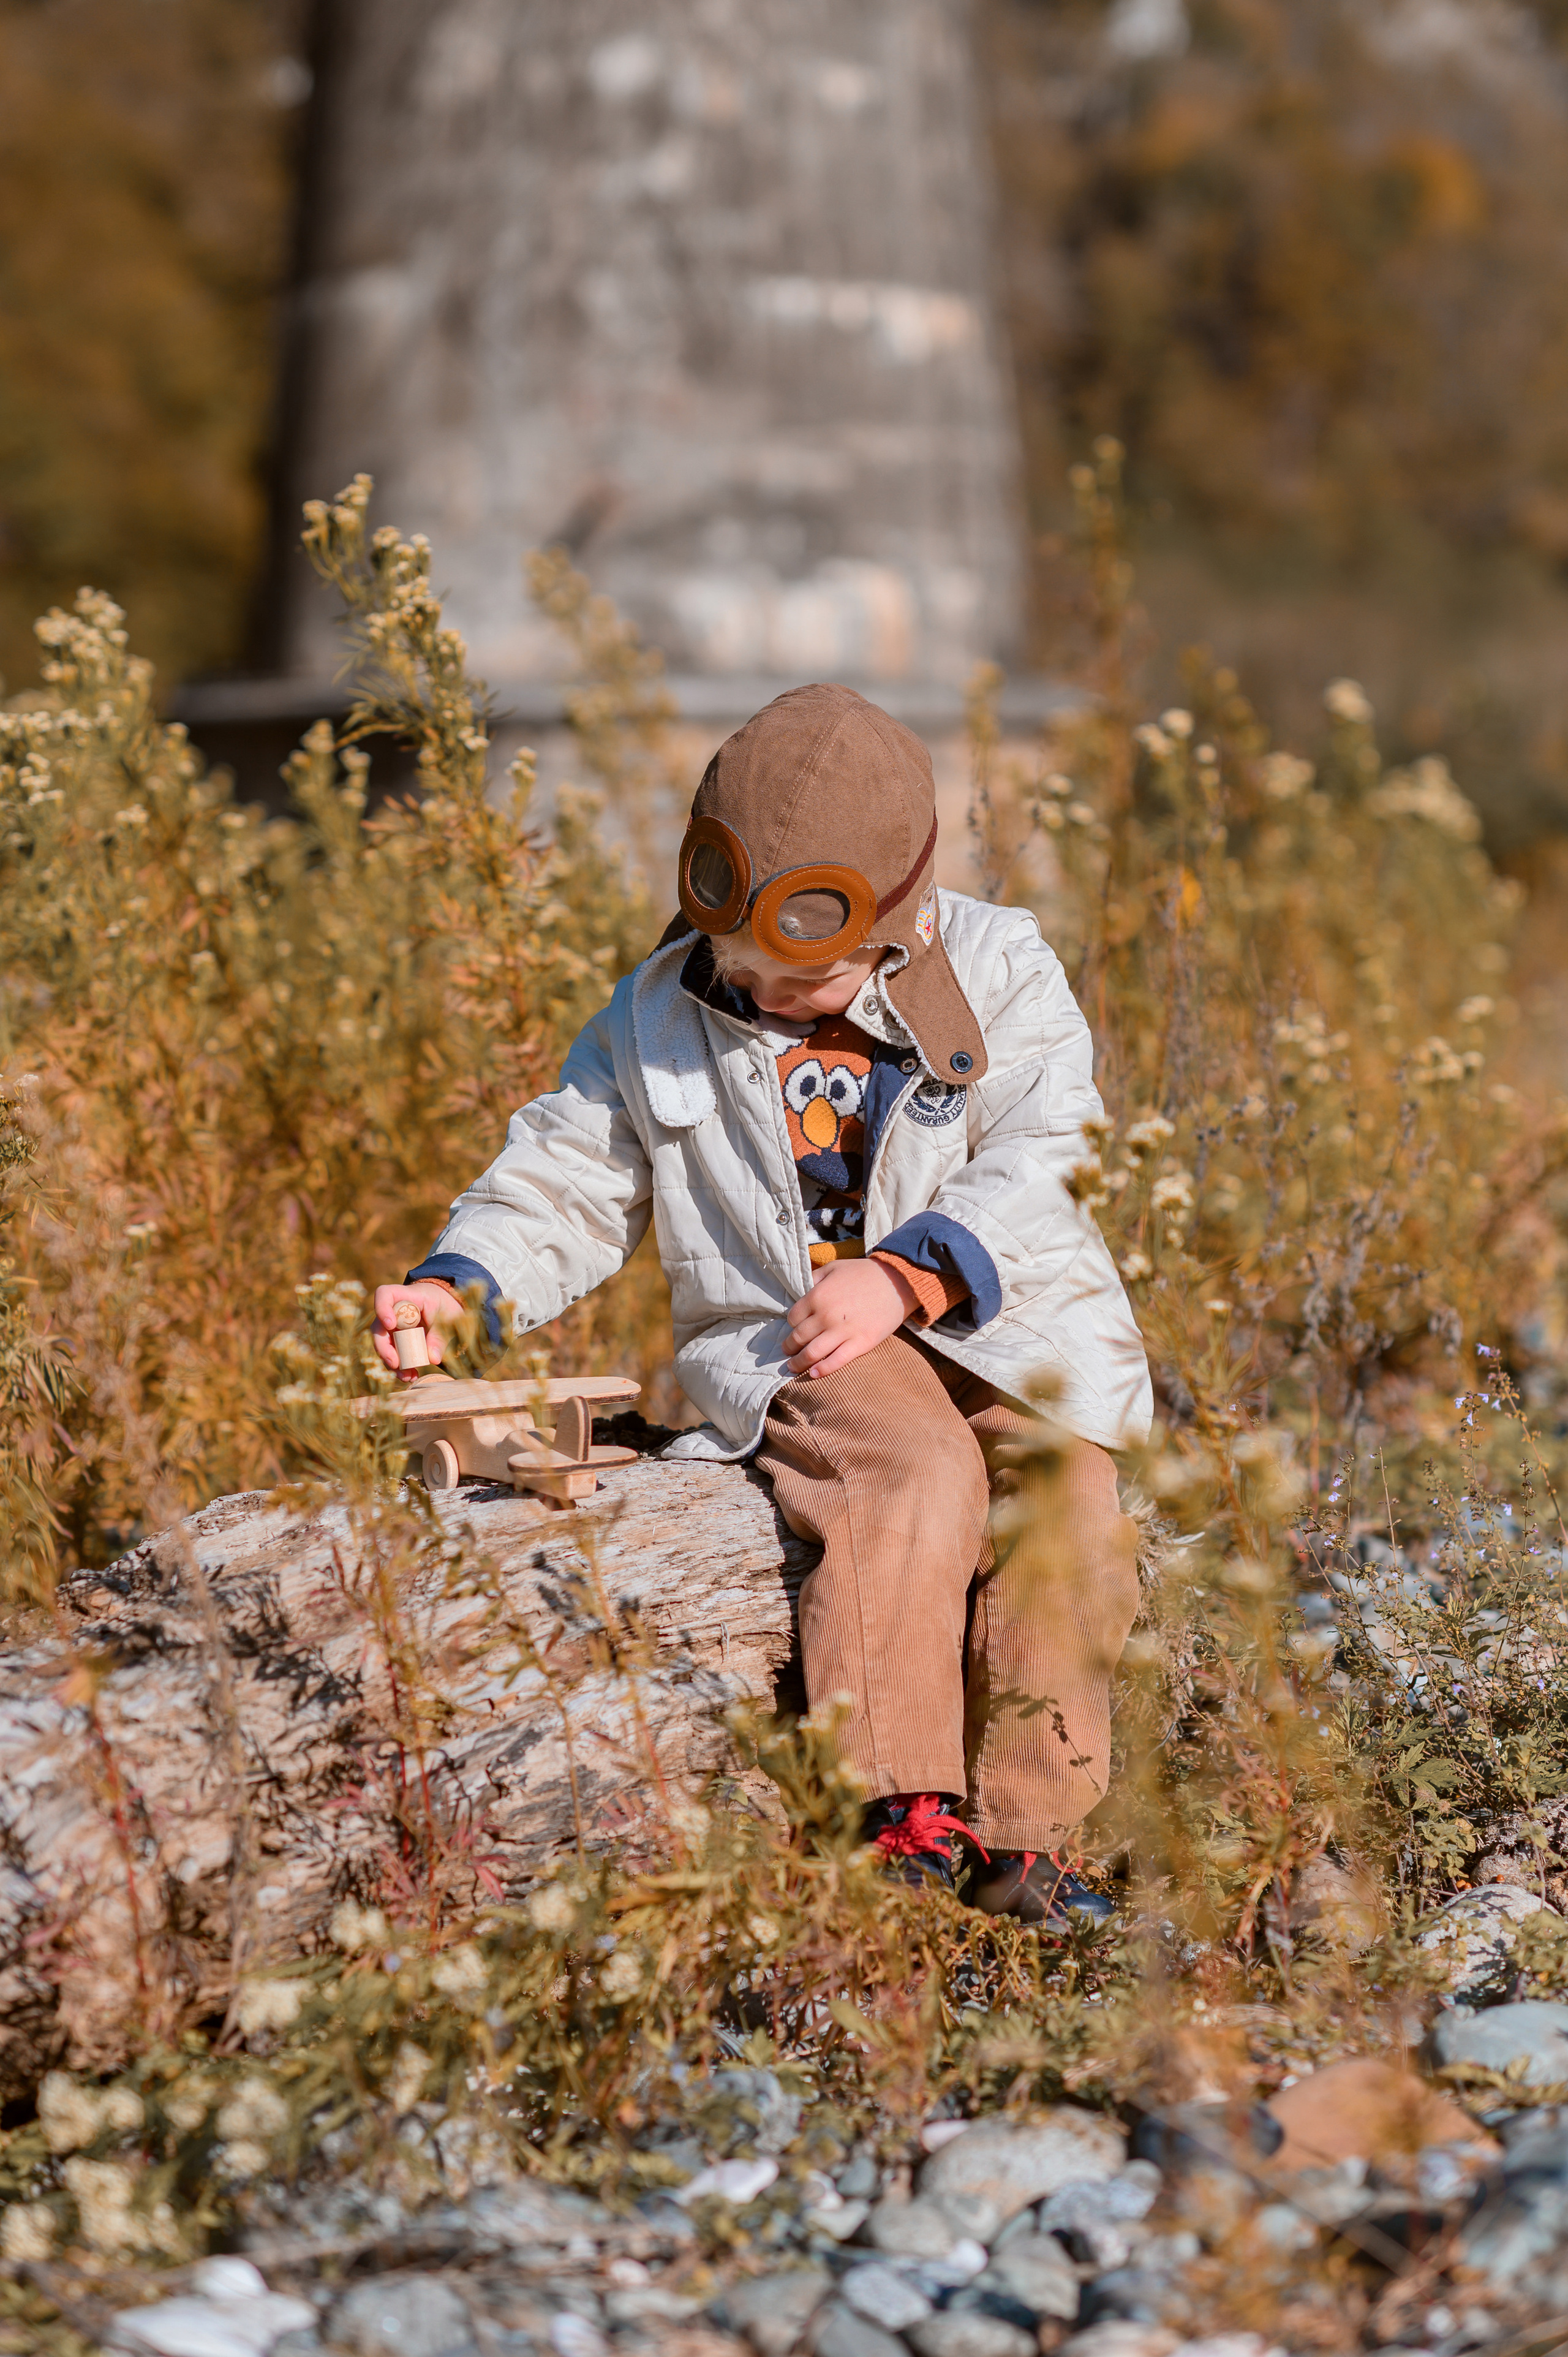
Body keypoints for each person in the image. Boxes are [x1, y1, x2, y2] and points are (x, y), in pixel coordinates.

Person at [374, 684, 1152, 1924]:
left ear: (898, 925)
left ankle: (1033, 1834)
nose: (758, 992)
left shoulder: (999, 970)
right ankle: (896, 1806)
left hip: (1001, 1320)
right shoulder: (653, 1016)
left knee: (1063, 1495)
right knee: (905, 1471)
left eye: (803, 977)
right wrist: (458, 1288)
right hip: (804, 1334)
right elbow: (568, 1176)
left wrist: (906, 1272)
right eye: (735, 965)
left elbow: (1054, 1150)